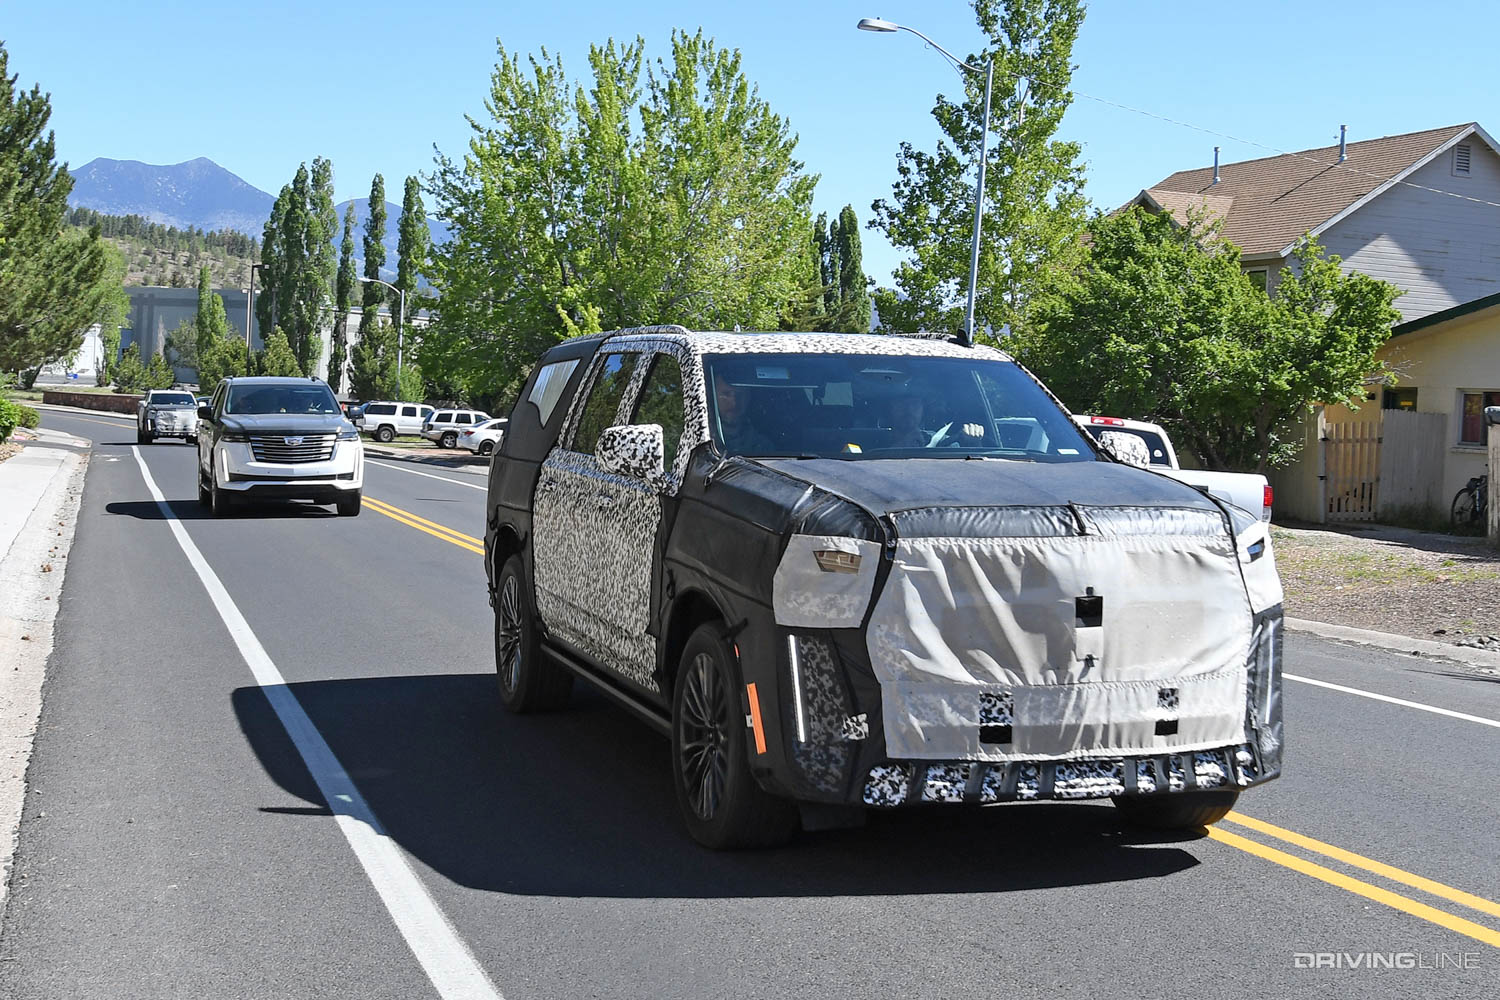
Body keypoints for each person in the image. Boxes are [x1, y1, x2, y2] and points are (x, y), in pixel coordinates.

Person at [712, 371, 775, 455]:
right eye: (726, 394)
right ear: (713, 396)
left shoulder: (764, 447)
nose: (734, 402)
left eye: (740, 394)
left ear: (748, 397)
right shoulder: (702, 442)